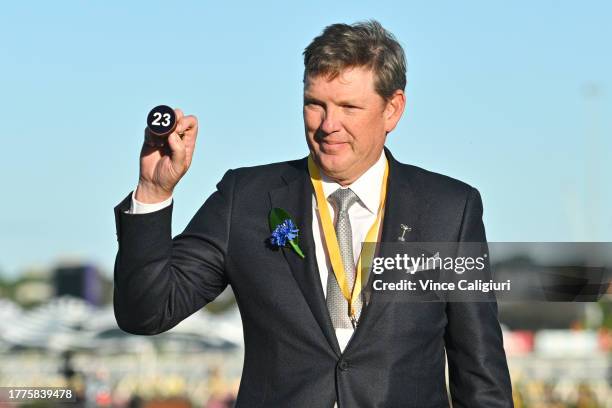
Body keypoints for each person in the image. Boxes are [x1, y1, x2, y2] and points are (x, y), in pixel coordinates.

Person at [113, 20, 513, 407]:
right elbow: (146, 312)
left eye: (349, 107)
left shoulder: (450, 209)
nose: (328, 125)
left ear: (393, 109)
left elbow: (480, 374)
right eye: (314, 105)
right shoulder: (245, 199)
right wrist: (153, 191)